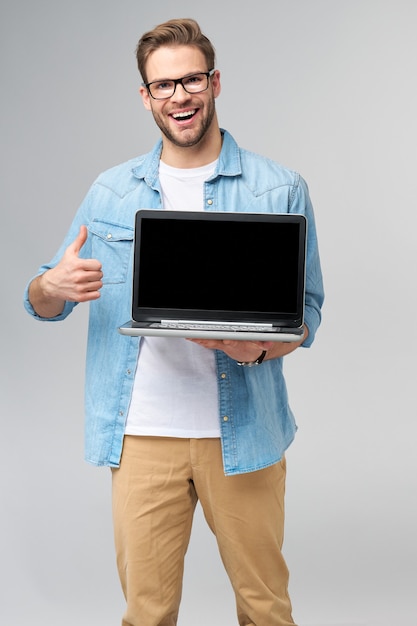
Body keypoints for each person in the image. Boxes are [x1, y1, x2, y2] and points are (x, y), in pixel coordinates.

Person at [24, 17, 324, 626]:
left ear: (214, 83)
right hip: (140, 437)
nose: (178, 96)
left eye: (190, 80)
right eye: (163, 85)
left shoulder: (278, 187)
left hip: (244, 435)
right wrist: (51, 286)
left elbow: (308, 309)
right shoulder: (110, 191)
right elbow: (41, 298)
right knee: (147, 613)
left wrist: (256, 352)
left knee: (265, 608)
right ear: (146, 96)